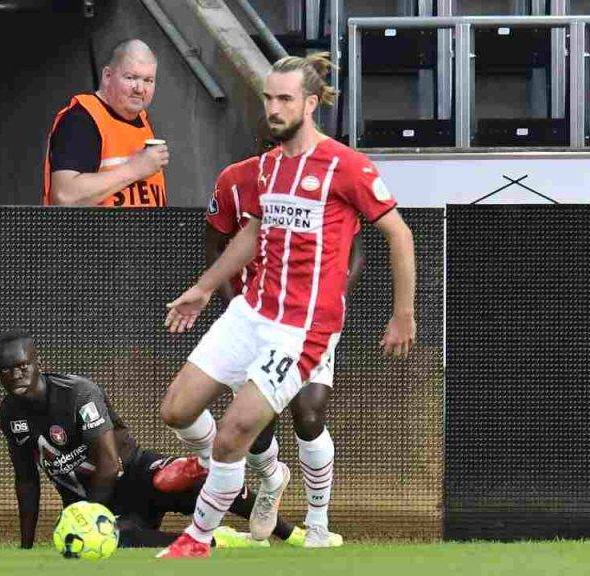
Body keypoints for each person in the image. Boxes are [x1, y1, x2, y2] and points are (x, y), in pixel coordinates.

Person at [154, 53, 417, 559]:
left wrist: (402, 313)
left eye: (283, 100)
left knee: (236, 431)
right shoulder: (269, 166)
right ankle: (263, 475)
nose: (272, 108)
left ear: (310, 104)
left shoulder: (346, 166)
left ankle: (199, 536)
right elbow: (252, 234)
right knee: (176, 409)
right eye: (268, 98)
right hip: (253, 311)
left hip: (303, 327)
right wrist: (206, 287)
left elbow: (399, 235)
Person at [153, 119, 366, 547]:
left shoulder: (330, 176)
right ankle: (270, 479)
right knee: (248, 426)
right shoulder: (235, 181)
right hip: (255, 316)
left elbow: (356, 250)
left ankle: (318, 526)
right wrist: (232, 299)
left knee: (308, 414)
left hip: (311, 318)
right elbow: (220, 244)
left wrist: (328, 295)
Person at [0, 331, 308, 550]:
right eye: (7, 371)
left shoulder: (78, 394)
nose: (17, 375)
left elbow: (107, 463)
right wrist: (26, 546)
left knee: (201, 478)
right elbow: (26, 481)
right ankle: (218, 541)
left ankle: (291, 534)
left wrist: (92, 516)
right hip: (90, 502)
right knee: (120, 538)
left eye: (23, 366)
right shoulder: (9, 415)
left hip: (134, 474)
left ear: (38, 363)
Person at [42, 38, 168, 207]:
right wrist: (134, 169)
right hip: (95, 234)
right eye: (131, 77)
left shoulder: (143, 120)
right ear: (108, 76)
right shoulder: (83, 117)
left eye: (148, 80)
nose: (140, 88)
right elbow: (65, 196)